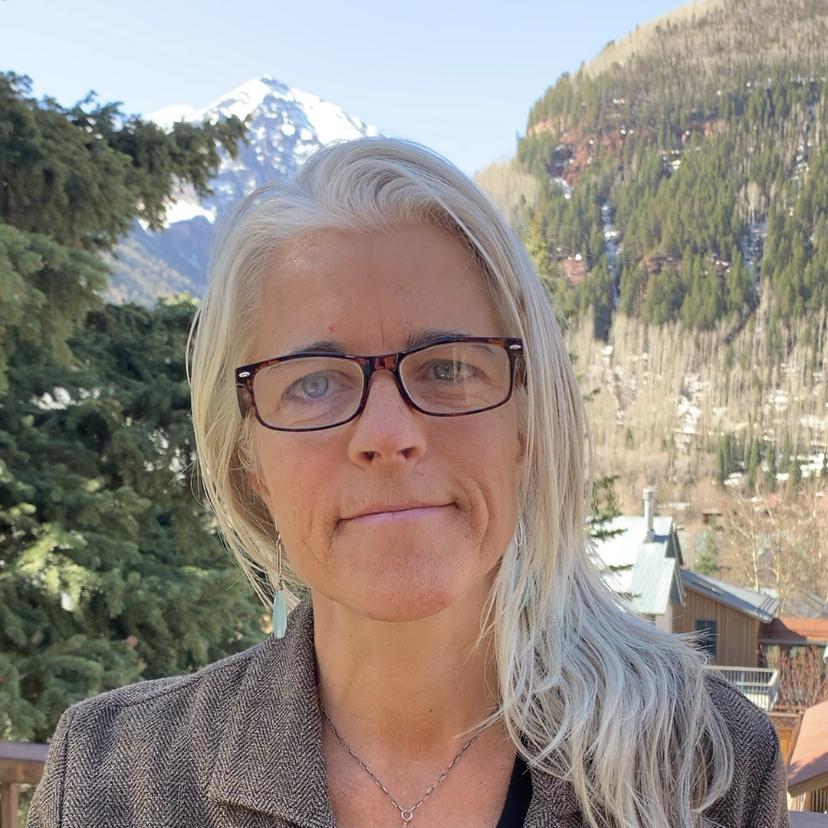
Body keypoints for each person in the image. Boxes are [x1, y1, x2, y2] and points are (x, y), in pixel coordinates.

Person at [27, 136, 788, 828]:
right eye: (314, 383)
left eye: (449, 367)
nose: (388, 435)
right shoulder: (114, 780)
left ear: (527, 422)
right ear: (250, 458)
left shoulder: (704, 764)